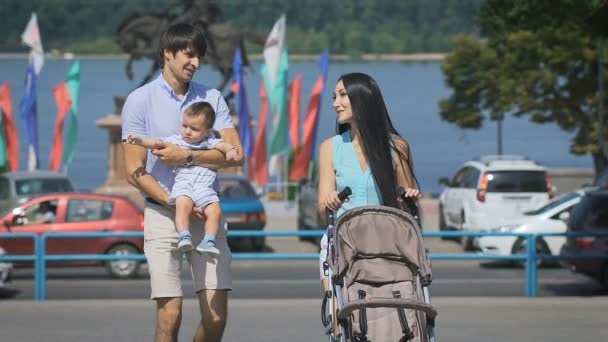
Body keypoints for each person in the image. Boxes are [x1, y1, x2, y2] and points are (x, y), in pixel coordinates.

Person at [121, 22, 243, 342]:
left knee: (215, 319)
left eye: (199, 56)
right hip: (163, 214)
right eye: (189, 55)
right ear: (168, 54)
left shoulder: (212, 98)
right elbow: (133, 169)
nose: (196, 63)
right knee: (170, 313)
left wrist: (185, 157)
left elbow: (236, 155)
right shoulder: (139, 100)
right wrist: (175, 201)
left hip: (207, 215)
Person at [317, 72, 421, 282]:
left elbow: (407, 211)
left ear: (362, 98)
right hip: (343, 247)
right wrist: (330, 203)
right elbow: (322, 210)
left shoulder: (398, 147)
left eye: (342, 95)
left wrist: (409, 198)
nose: (336, 103)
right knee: (342, 308)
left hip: (387, 247)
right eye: (334, 97)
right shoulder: (330, 148)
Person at [123, 101, 238, 255]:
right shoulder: (177, 141)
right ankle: (184, 235)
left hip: (205, 188)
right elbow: (156, 143)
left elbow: (224, 146)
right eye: (184, 126)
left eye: (194, 128)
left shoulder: (210, 141)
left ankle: (209, 240)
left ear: (207, 130)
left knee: (215, 211)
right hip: (184, 186)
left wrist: (230, 150)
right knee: (182, 208)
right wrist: (140, 141)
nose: (187, 131)